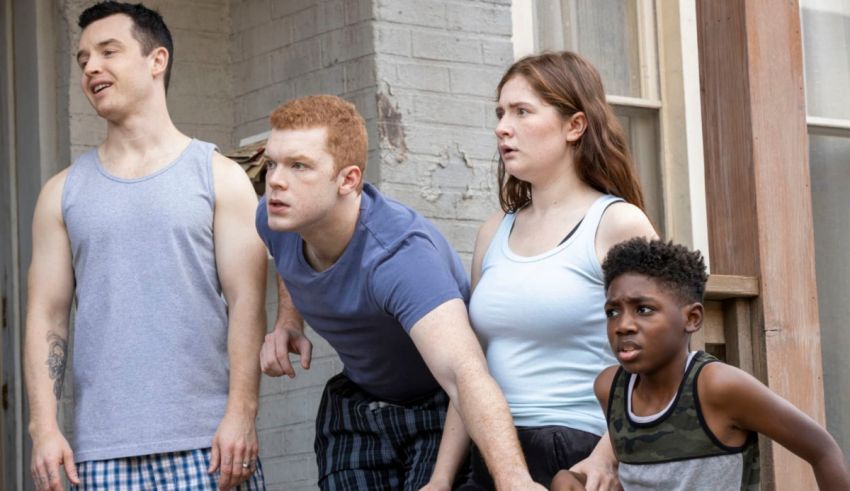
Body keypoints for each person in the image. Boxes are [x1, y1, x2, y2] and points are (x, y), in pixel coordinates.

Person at [24, 2, 267, 490]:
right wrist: (44, 428)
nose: (91, 66)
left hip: (210, 447)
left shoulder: (220, 177)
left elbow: (248, 303)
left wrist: (242, 413)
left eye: (108, 51)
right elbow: (47, 317)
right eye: (83, 58)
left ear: (157, 61)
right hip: (100, 456)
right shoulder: (61, 193)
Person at [256, 94, 544, 490]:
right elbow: (285, 257)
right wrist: (288, 320)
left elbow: (465, 374)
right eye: (272, 163)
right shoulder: (276, 217)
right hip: (357, 401)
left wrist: (515, 481)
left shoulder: (398, 257)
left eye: (299, 166)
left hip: (437, 409)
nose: (275, 180)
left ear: (348, 179)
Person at [424, 51, 657, 490]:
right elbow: (472, 368)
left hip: (577, 456)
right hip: (491, 456)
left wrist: (608, 456)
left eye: (522, 111)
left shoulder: (617, 224)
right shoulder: (492, 232)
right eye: (500, 113)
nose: (502, 127)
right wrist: (440, 478)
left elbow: (662, 361)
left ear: (575, 126)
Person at [551, 237, 850, 490]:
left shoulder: (717, 387)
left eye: (643, 309)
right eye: (613, 312)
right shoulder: (610, 388)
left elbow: (823, 451)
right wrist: (567, 478)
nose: (623, 325)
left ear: (691, 318)